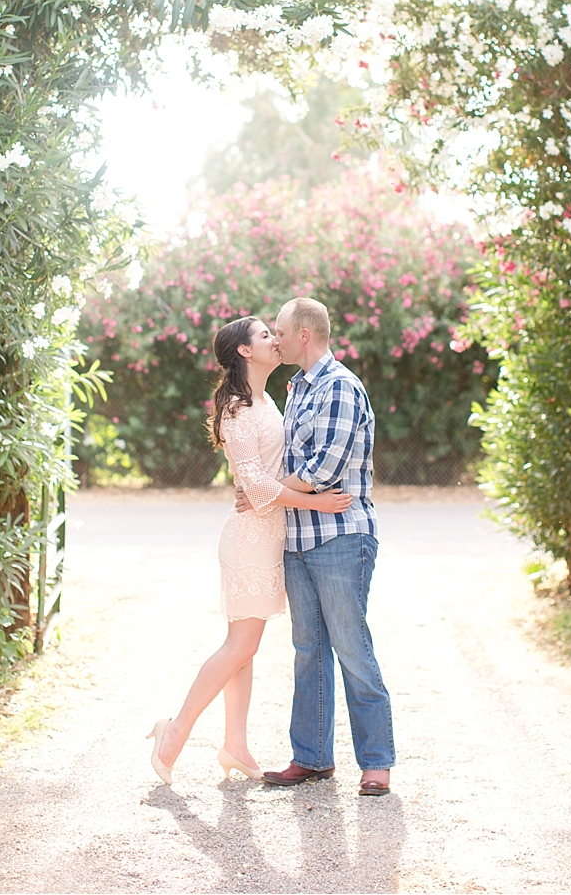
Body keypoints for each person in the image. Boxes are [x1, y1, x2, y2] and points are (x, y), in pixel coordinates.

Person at [145, 317, 353, 784]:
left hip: (268, 534)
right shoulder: (237, 409)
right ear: (243, 351)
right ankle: (174, 733)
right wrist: (315, 502)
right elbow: (255, 483)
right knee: (242, 645)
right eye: (264, 336)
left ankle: (235, 745)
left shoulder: (267, 401)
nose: (274, 341)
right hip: (248, 540)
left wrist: (284, 494)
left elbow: (264, 478)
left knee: (243, 650)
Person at [242, 296, 396, 797]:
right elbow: (299, 469)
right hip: (298, 538)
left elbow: (323, 471)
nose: (277, 339)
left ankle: (375, 763)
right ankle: (311, 757)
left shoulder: (340, 387)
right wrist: (274, 492)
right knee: (308, 650)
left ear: (303, 334)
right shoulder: (298, 388)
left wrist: (265, 490)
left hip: (341, 537)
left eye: (281, 331)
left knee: (351, 647)